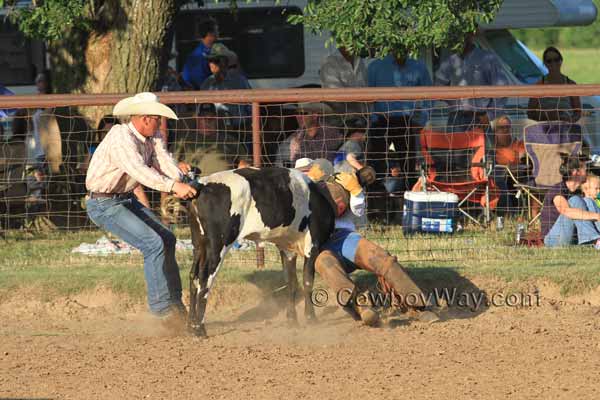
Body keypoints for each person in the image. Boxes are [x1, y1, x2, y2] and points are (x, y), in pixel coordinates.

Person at [85, 92, 198, 328]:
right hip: (104, 204)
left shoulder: (151, 135)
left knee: (166, 238)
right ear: (146, 118)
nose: (160, 123)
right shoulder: (120, 139)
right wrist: (174, 185)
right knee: (153, 244)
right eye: (157, 118)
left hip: (123, 199)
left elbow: (163, 160)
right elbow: (140, 172)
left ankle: (175, 305)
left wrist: (181, 177)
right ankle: (161, 312)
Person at [301, 160, 438, 326]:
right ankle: (361, 307)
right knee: (326, 264)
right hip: (319, 246)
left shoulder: (338, 183)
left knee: (381, 258)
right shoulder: (297, 196)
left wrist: (356, 191)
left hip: (345, 237)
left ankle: (418, 307)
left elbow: (358, 211)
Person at [367, 49, 432, 192]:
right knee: (377, 167)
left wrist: (420, 121)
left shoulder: (419, 67)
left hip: (407, 122)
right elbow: (367, 98)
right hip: (381, 121)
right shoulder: (375, 67)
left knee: (409, 167)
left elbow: (429, 96)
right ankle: (378, 206)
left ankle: (408, 203)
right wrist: (371, 120)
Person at [435, 30, 509, 134]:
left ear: (472, 34)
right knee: (457, 149)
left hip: (480, 117)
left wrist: (489, 115)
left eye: (464, 34)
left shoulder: (487, 58)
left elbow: (502, 88)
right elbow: (438, 86)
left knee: (484, 150)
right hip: (456, 118)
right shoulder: (450, 61)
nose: (460, 39)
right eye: (456, 35)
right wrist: (454, 101)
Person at [172, 103, 248, 176]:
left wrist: (243, 163)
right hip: (197, 182)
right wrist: (179, 164)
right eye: (204, 118)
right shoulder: (185, 139)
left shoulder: (228, 138)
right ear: (198, 119)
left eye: (211, 118)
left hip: (226, 181)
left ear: (216, 119)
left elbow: (245, 158)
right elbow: (169, 160)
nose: (208, 121)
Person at [542, 154, 600, 247]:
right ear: (575, 172)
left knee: (588, 201)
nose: (587, 171)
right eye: (585, 168)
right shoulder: (558, 189)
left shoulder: (578, 192)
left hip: (572, 236)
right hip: (554, 239)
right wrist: (597, 216)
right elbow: (565, 211)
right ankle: (595, 240)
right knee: (575, 201)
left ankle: (596, 239)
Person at [200, 44, 252, 133]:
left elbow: (251, 108)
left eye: (215, 60)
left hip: (239, 131)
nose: (211, 64)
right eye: (210, 60)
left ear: (225, 62)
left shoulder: (239, 81)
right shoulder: (206, 84)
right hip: (215, 132)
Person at [527, 46, 582, 124]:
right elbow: (530, 113)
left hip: (566, 129)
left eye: (556, 60)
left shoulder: (571, 84)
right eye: (549, 61)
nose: (553, 63)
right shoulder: (540, 85)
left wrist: (569, 121)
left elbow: (578, 112)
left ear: (561, 61)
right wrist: (546, 116)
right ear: (545, 64)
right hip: (545, 129)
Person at [319, 46, 370, 126]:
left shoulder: (359, 61)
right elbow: (334, 97)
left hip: (362, 120)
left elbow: (366, 87)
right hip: (339, 123)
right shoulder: (329, 62)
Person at [492, 116, 526, 213]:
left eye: (508, 127)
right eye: (502, 128)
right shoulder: (492, 148)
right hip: (500, 178)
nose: (505, 130)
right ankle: (508, 212)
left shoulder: (518, 144)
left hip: (518, 177)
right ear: (495, 131)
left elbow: (525, 161)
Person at [181, 19, 218, 89]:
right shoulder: (198, 56)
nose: (218, 33)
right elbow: (200, 83)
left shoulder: (208, 51)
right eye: (216, 30)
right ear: (209, 33)